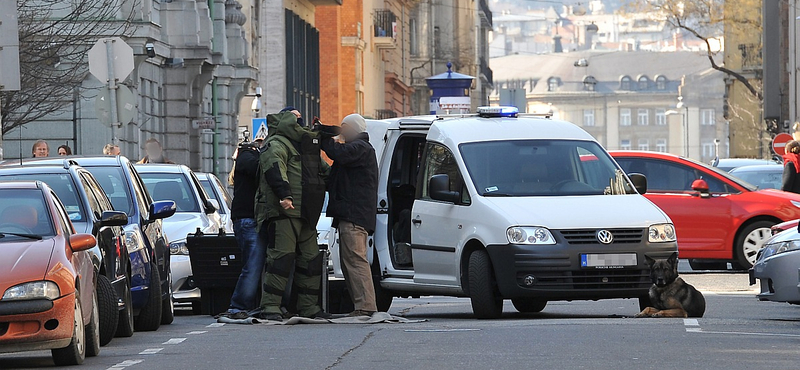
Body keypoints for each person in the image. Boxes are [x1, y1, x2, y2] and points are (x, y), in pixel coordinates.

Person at [254, 110, 329, 321]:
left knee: (311, 261)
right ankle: (270, 307)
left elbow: (322, 170)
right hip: (284, 213)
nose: (299, 122)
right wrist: (284, 194)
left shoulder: (304, 145)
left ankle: (309, 307)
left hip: (306, 212)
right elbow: (274, 169)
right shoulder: (276, 143)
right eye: (295, 118)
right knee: (281, 259)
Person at [319, 114, 379, 316]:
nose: (342, 132)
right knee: (349, 262)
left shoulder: (360, 148)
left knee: (355, 260)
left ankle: (366, 307)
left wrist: (323, 137)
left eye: (344, 128)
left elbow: (338, 153)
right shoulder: (357, 151)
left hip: (354, 216)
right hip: (352, 215)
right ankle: (361, 306)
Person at [223, 134, 268, 318]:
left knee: (253, 264)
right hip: (248, 218)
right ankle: (239, 305)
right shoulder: (248, 156)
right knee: (253, 264)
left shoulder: (247, 156)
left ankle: (244, 304)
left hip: (247, 218)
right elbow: (256, 168)